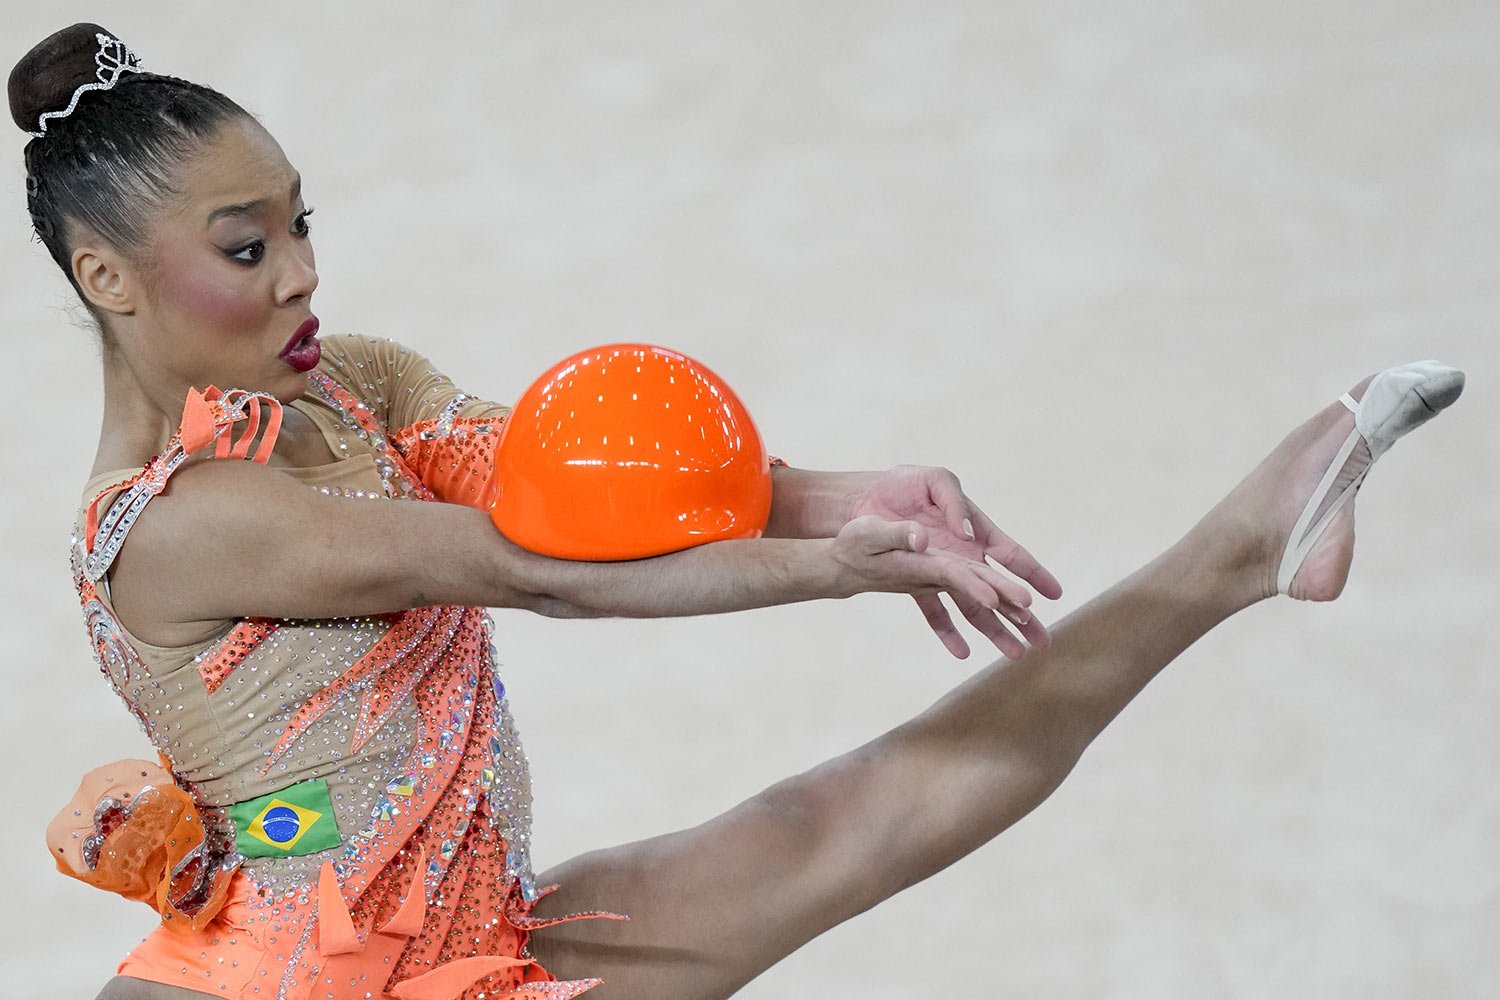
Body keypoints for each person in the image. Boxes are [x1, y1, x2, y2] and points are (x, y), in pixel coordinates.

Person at [10, 22, 1463, 1000]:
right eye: (247, 246)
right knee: (845, 823)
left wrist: (846, 490)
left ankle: (1246, 543)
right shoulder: (183, 523)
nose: (303, 273)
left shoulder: (357, 387)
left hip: (470, 941)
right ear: (109, 281)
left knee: (856, 819)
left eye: (303, 224)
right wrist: (832, 567)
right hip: (307, 983)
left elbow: (584, 485)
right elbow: (548, 567)